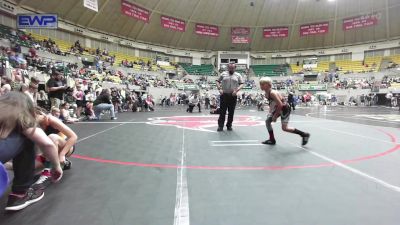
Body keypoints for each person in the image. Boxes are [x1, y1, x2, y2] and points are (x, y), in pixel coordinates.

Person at [0, 92, 62, 211]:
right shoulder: (21, 115)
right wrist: (56, 166)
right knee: (28, 138)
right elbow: (47, 144)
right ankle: (20, 194)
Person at [32, 107, 77, 190]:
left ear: (39, 114)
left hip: (66, 146)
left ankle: (47, 172)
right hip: (51, 151)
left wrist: (62, 155)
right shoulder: (33, 126)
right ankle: (64, 164)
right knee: (29, 168)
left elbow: (73, 137)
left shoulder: (51, 120)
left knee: (52, 137)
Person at [259, 77, 310, 146]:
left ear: (268, 85)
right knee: (268, 121)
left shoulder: (272, 93)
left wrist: (275, 116)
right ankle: (272, 139)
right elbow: (272, 104)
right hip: (279, 108)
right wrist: (270, 113)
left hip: (285, 108)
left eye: (263, 84)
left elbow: (280, 105)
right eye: (260, 84)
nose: (261, 86)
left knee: (285, 128)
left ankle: (304, 134)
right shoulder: (266, 93)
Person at [216, 63, 244, 131]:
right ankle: (220, 126)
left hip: (233, 95)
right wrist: (219, 89)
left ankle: (229, 125)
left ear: (235, 68)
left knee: (231, 112)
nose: (231, 69)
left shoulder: (238, 75)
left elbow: (242, 84)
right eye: (230, 68)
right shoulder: (223, 74)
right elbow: (217, 81)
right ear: (228, 68)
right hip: (224, 95)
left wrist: (237, 90)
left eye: (232, 68)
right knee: (222, 112)